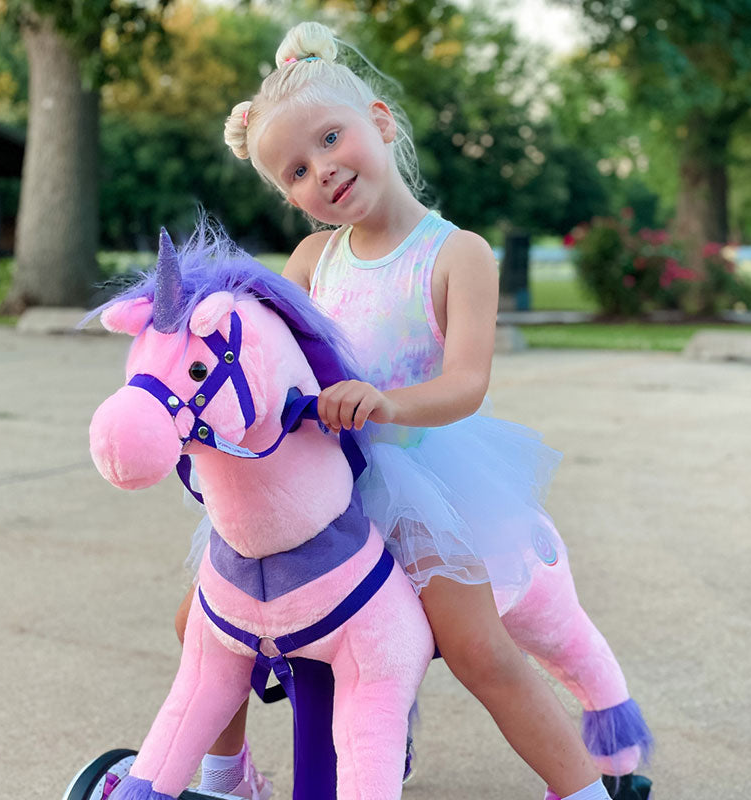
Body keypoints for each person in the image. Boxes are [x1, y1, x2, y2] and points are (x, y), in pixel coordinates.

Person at [179, 20, 624, 800]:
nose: (321, 170)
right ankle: (226, 776)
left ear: (379, 122)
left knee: (475, 645)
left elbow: (466, 384)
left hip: (421, 481)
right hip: (317, 483)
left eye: (329, 139)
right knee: (204, 625)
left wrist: (384, 403)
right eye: (295, 171)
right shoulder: (315, 259)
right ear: (288, 195)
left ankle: (581, 788)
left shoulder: (457, 254)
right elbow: (273, 351)